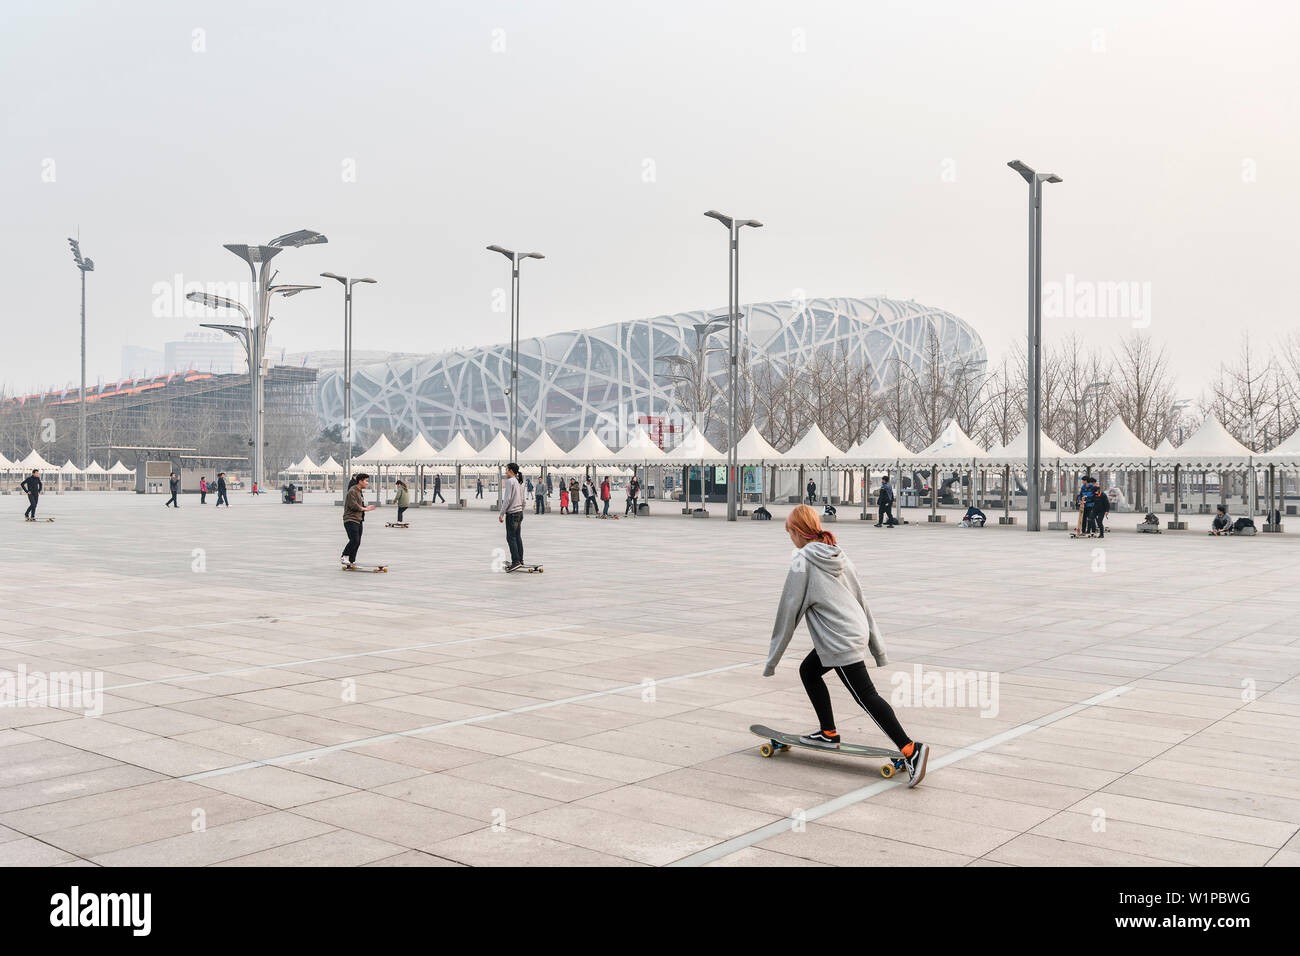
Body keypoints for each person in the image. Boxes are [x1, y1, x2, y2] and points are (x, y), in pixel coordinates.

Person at [764, 505, 929, 788]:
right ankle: (828, 732)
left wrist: (772, 660)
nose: (789, 539)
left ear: (797, 533)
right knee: (809, 671)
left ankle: (911, 749)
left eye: (789, 533)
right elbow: (860, 598)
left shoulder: (802, 560)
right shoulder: (837, 551)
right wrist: (876, 645)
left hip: (838, 639)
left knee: (865, 695)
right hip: (852, 630)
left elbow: (788, 610)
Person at [342, 473, 377, 566]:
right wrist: (365, 509)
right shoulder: (352, 491)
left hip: (358, 519)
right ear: (360, 481)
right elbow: (353, 505)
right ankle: (344, 556)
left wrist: (366, 507)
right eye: (366, 481)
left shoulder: (359, 491)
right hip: (350, 519)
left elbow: (359, 505)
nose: (367, 483)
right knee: (354, 540)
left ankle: (351, 560)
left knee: (358, 541)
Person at [499, 461, 526, 571]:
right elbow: (524, 500)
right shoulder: (520, 482)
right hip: (519, 512)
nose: (505, 472)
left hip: (512, 513)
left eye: (506, 469)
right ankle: (520, 559)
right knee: (517, 536)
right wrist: (521, 510)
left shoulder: (510, 481)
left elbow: (507, 499)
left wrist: (501, 513)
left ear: (511, 471)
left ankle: (515, 561)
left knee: (510, 537)